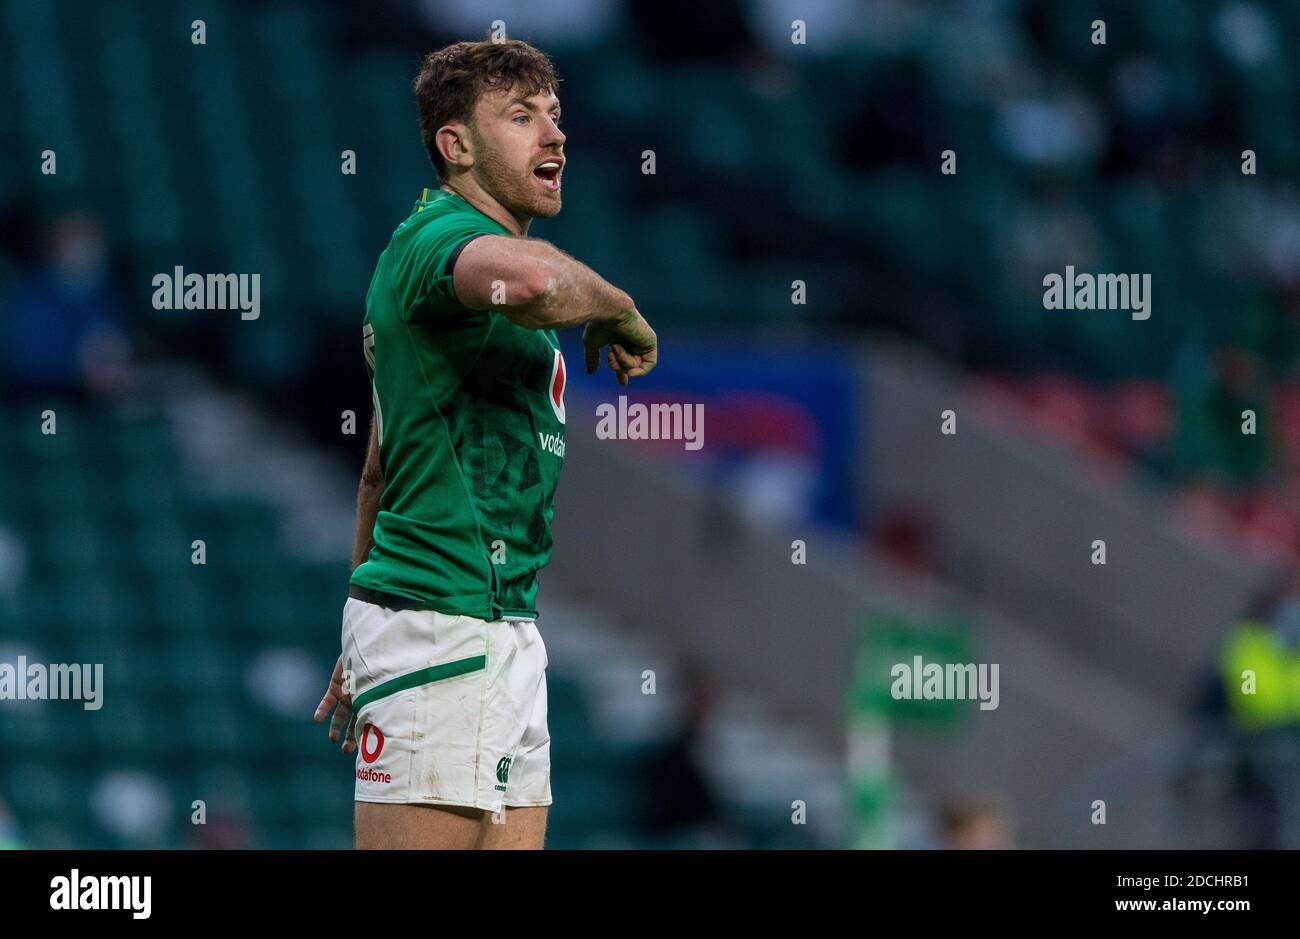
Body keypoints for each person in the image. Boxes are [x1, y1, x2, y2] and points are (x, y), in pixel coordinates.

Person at [314, 38, 657, 850]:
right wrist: (615, 305)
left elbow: (376, 472)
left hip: (502, 630)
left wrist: (355, 633)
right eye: (522, 116)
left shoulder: (480, 300)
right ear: (455, 145)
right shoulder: (432, 242)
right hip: (437, 622)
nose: (555, 136)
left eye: (556, 116)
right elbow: (537, 283)